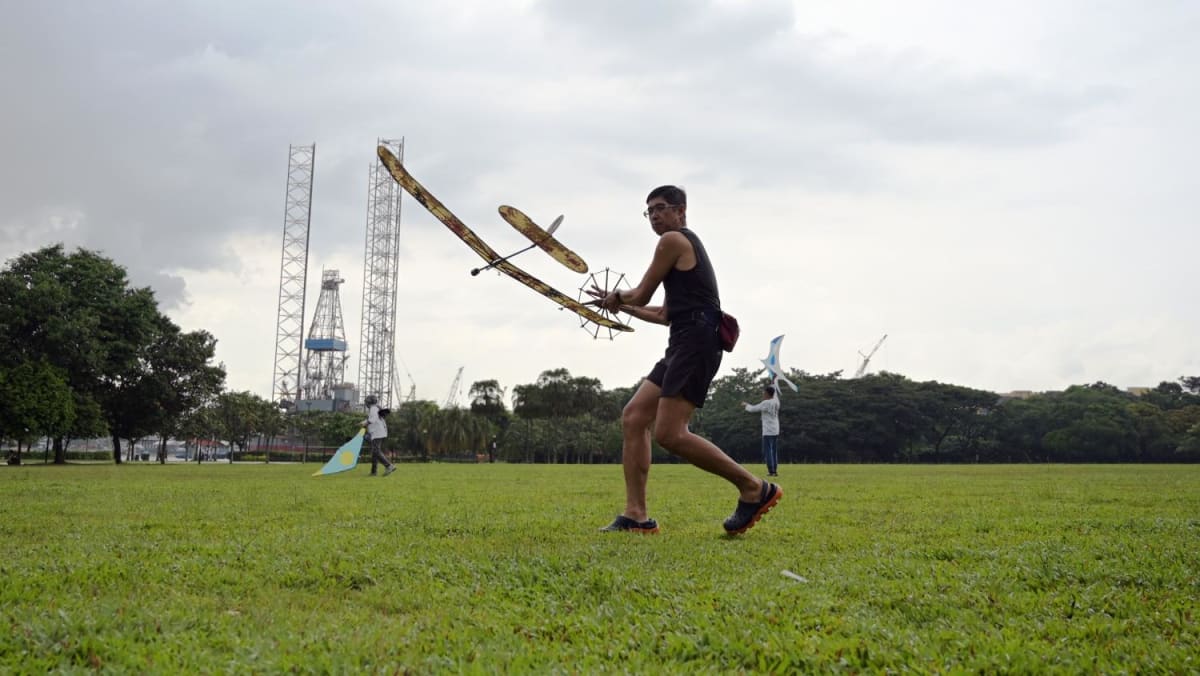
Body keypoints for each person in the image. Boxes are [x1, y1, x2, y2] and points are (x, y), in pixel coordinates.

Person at [589, 185, 781, 535]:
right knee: (634, 417)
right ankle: (636, 516)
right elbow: (663, 312)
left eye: (661, 208)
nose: (655, 216)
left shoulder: (673, 240)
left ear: (681, 211)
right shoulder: (679, 250)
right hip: (683, 338)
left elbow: (642, 291)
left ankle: (755, 488)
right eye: (649, 211)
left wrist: (618, 297)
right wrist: (620, 304)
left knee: (670, 433)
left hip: (696, 340)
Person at [742, 381, 781, 477]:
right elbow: (775, 393)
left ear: (767, 394)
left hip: (768, 430)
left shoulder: (766, 403)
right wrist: (773, 383)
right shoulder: (776, 401)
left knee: (768, 451)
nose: (763, 394)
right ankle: (774, 470)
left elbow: (753, 409)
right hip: (776, 429)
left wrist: (746, 405)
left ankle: (771, 471)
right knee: (774, 451)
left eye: (764, 393)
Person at [361, 395, 395, 477]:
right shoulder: (376, 408)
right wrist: (363, 422)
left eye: (366, 402)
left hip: (377, 433)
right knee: (374, 452)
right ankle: (373, 472)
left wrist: (365, 423)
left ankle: (389, 466)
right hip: (379, 432)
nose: (366, 403)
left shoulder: (373, 408)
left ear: (369, 402)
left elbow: (372, 420)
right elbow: (373, 418)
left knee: (376, 451)